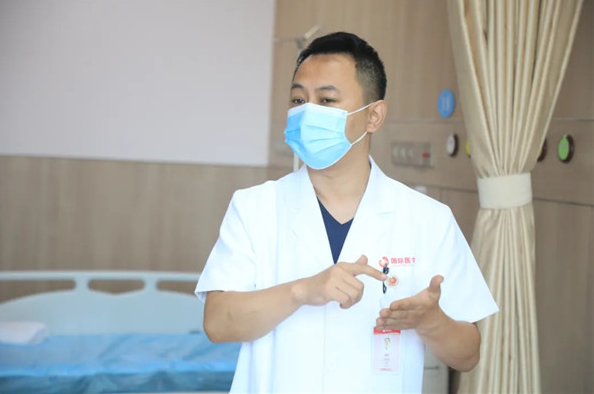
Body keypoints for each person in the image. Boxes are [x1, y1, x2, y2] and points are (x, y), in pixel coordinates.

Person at [195, 31, 498, 393]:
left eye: (326, 100)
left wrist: (431, 321)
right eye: (298, 100)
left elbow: (468, 355)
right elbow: (217, 323)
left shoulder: (428, 219)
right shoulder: (255, 207)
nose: (307, 112)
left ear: (373, 116)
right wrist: (302, 291)